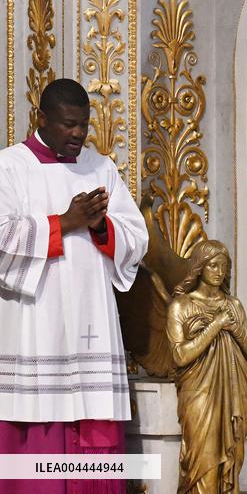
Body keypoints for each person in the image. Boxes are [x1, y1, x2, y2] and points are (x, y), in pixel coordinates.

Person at [0, 78, 148, 494]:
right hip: (35, 326)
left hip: (91, 324)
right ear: (41, 118)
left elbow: (136, 238)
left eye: (84, 124)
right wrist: (64, 223)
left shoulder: (101, 168)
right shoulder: (10, 167)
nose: (79, 134)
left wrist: (101, 225)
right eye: (68, 124)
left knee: (93, 432)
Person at [167, 240, 247, 494]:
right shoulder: (180, 306)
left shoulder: (234, 305)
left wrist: (234, 328)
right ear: (199, 267)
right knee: (203, 462)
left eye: (223, 266)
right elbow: (179, 355)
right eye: (213, 265)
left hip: (233, 392)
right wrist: (215, 326)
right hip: (198, 394)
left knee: (233, 456)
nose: (219, 272)